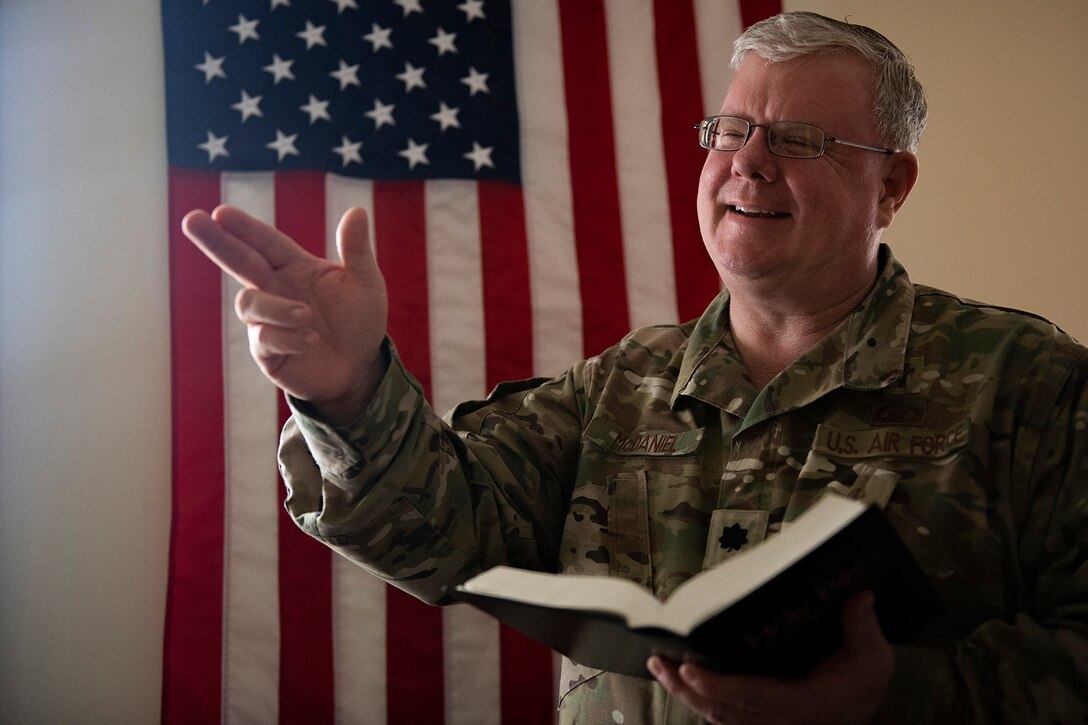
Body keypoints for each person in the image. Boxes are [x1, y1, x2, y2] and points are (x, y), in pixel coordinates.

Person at [183, 11, 1088, 724]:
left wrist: (899, 697)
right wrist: (346, 390)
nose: (749, 163)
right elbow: (446, 531)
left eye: (801, 140)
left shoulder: (1026, 383)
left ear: (892, 186)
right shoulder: (621, 384)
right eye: (731, 128)